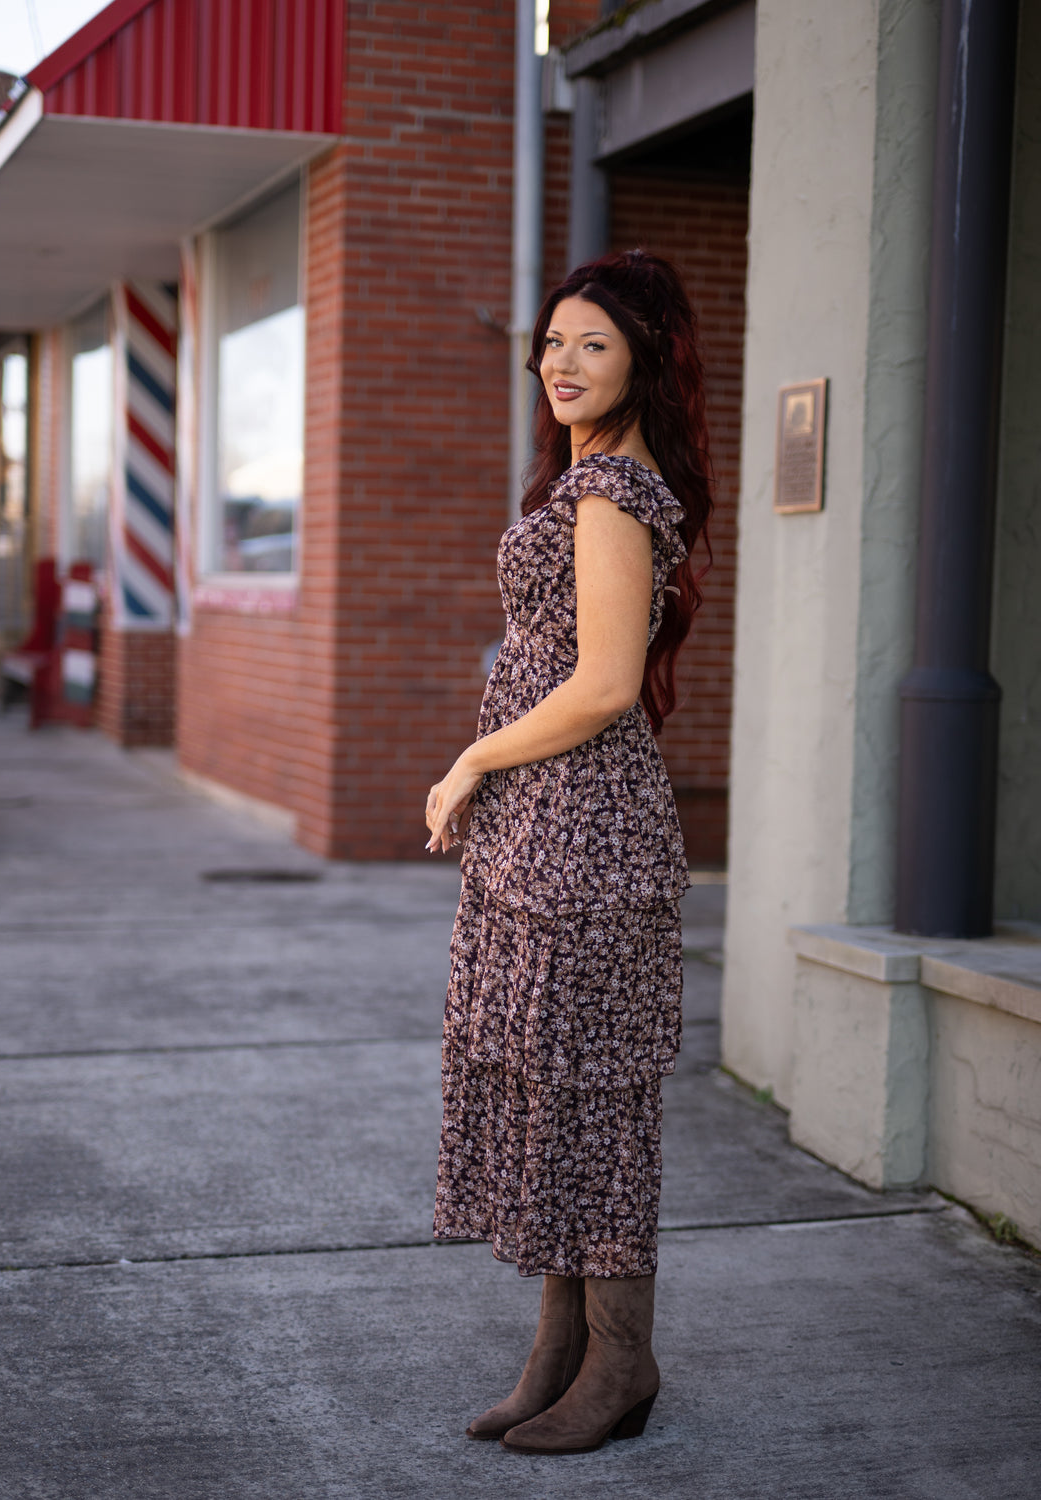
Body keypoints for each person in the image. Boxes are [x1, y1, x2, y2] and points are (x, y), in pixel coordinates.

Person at [425, 249, 712, 1456]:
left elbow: (600, 685)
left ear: (646, 357)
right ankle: (559, 1349)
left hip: (585, 830)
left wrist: (473, 759)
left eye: (593, 343)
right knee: (550, 1092)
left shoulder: (615, 496)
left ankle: (622, 1361)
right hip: (547, 832)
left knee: (591, 1101)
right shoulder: (587, 477)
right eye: (552, 342)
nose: (563, 362)